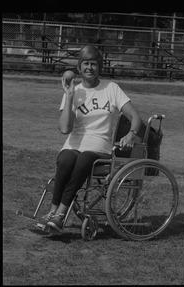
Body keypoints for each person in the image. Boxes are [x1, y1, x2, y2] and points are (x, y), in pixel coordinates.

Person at [42, 45, 143, 232]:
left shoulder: (111, 88)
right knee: (65, 160)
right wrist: (70, 96)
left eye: (94, 64)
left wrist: (131, 133)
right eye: (86, 64)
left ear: (100, 67)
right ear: (79, 68)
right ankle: (52, 211)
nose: (90, 68)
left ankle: (60, 215)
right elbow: (65, 129)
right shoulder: (74, 91)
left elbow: (135, 118)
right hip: (73, 144)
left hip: (99, 149)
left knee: (83, 160)